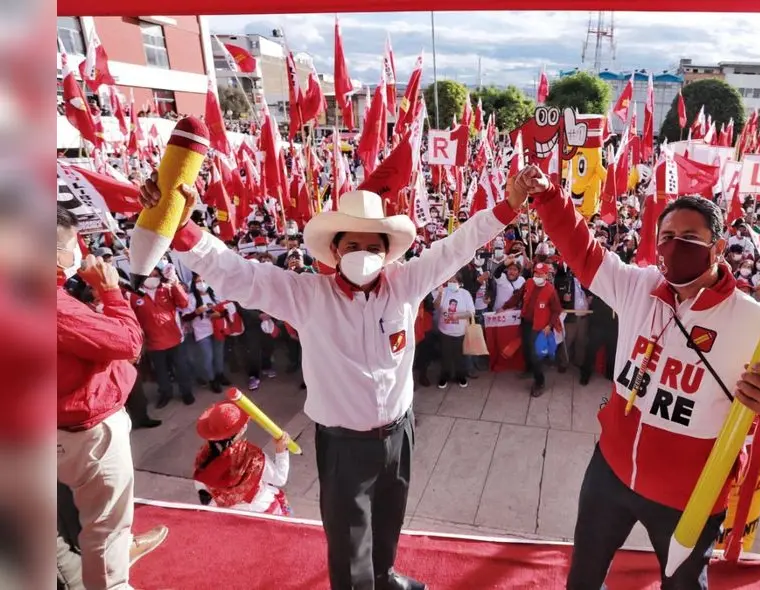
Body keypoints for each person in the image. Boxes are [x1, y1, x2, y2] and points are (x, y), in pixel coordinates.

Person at [139, 166, 530, 590]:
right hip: (344, 445)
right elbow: (239, 275)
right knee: (348, 541)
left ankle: (384, 575)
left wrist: (509, 206)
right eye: (353, 245)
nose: (363, 254)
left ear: (387, 252)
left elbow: (457, 247)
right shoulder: (307, 296)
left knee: (390, 516)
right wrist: (184, 229)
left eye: (373, 246)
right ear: (335, 251)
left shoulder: (405, 284)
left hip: (399, 434)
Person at [528, 166, 760, 589]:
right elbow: (584, 252)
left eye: (689, 237)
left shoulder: (757, 323)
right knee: (584, 575)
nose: (674, 245)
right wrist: (548, 196)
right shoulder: (638, 287)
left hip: (690, 500)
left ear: (718, 246)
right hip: (609, 472)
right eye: (666, 236)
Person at [56, 206, 167, 589]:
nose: (80, 252)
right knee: (105, 532)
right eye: (73, 244)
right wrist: (111, 291)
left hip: (57, 429)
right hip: (86, 434)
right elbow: (129, 342)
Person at [193, 401, 292, 515]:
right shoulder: (253, 457)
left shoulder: (203, 459)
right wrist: (281, 451)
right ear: (240, 431)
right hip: (261, 509)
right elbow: (279, 478)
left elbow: (203, 491)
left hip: (226, 515)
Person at [128, 263, 194, 407]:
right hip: (153, 343)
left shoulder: (168, 289)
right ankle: (165, 394)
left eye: (156, 275)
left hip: (175, 339)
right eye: (149, 275)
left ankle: (186, 392)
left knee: (182, 368)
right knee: (161, 372)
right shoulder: (134, 295)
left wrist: (175, 283)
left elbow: (184, 303)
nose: (152, 278)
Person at [502, 262, 564, 397]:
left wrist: (549, 325)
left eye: (541, 274)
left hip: (539, 327)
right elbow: (517, 297)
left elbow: (556, 310)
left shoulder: (550, 291)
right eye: (536, 273)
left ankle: (539, 382)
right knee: (526, 349)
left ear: (546, 275)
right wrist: (504, 307)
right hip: (526, 323)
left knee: (535, 355)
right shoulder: (528, 283)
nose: (537, 276)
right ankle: (529, 370)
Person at [182, 272, 230, 393]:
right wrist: (196, 312)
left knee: (219, 355)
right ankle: (212, 380)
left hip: (218, 329)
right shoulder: (191, 298)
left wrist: (219, 314)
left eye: (204, 280)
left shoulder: (215, 294)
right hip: (202, 332)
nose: (202, 284)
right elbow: (185, 317)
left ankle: (220, 375)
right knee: (208, 358)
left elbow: (226, 310)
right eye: (198, 281)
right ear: (194, 284)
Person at [434, 276, 475, 388]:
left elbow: (471, 312)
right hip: (445, 331)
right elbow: (436, 307)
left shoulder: (465, 294)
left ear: (460, 283)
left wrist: (456, 316)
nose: (451, 283)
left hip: (460, 332)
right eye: (449, 281)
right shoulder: (444, 291)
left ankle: (460, 376)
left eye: (454, 281)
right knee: (445, 356)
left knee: (459, 356)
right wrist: (440, 295)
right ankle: (445, 376)